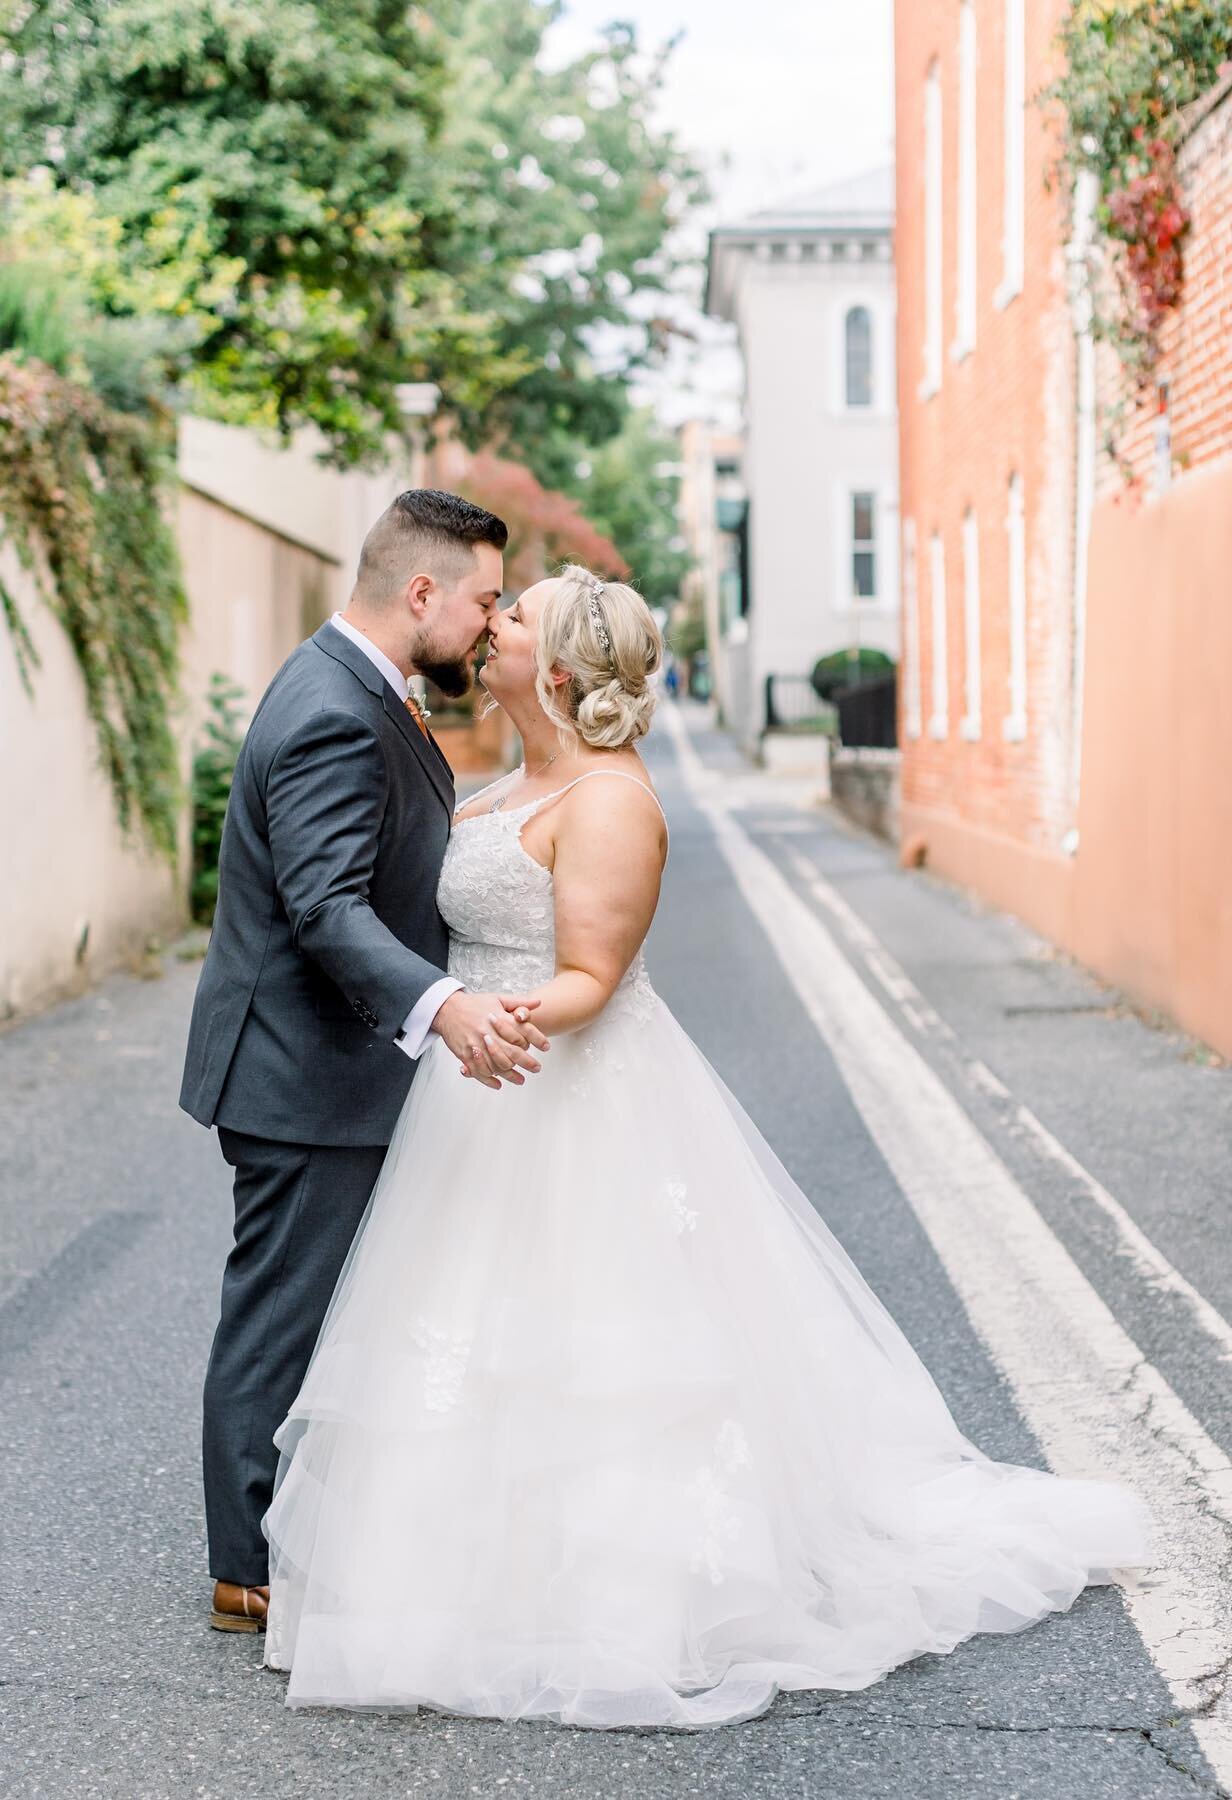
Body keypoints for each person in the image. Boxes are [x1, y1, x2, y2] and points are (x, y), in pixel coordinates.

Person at [262, 565, 1153, 1727]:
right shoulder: (497, 788)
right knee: (464, 1347)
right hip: (473, 1097)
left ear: (565, 668)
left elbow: (594, 974)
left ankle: (620, 1600)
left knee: (605, 1354)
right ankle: (450, 1581)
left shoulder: (613, 804)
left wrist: (502, 1024)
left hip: (559, 1089)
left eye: (513, 616)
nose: (492, 625)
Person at [179, 489, 549, 1635]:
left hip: (330, 1067)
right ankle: (249, 1570)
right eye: (485, 599)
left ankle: (300, 1535)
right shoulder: (335, 710)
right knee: (282, 1318)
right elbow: (326, 908)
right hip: (303, 1075)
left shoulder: (360, 688)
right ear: (422, 590)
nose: (491, 626)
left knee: (327, 1315)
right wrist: (445, 1009)